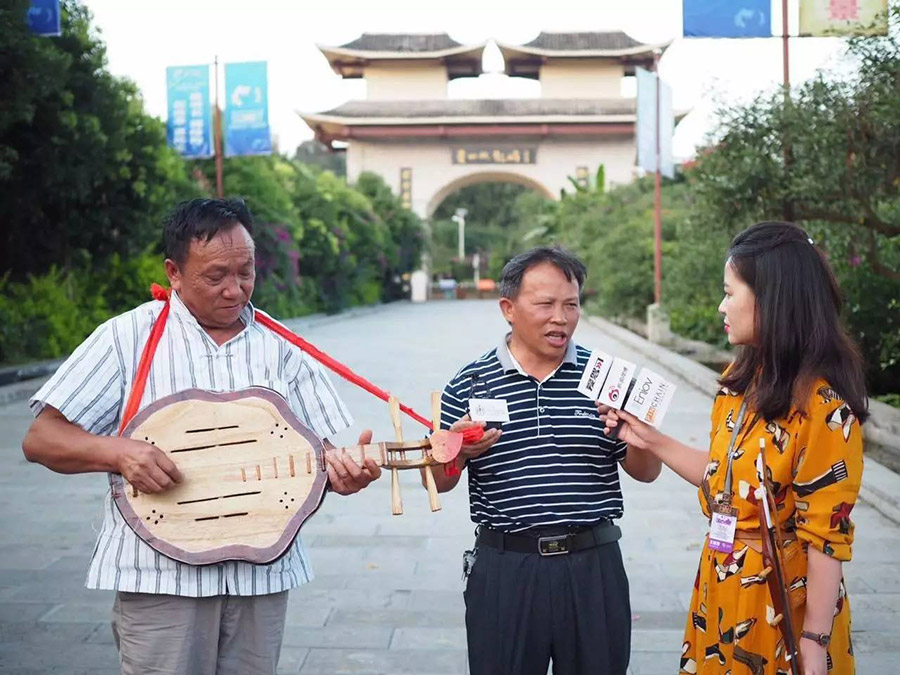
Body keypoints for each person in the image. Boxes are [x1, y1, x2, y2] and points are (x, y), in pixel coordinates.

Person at [22, 198, 381, 675]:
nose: (235, 291)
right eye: (216, 276)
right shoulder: (126, 337)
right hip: (160, 579)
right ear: (174, 272)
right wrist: (117, 451)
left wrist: (344, 472)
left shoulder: (283, 349)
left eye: (246, 272)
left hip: (262, 577)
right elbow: (41, 439)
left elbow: (317, 457)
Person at [601, 222, 867, 674]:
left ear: (772, 298)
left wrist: (814, 642)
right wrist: (649, 438)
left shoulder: (825, 409)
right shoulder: (738, 386)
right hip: (721, 588)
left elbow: (827, 540)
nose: (722, 306)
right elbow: (725, 475)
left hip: (782, 602)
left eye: (730, 293)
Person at [430, 245, 662, 675]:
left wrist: (637, 432)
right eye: (546, 304)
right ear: (508, 308)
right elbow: (440, 483)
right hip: (506, 570)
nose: (561, 318)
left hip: (593, 568)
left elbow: (645, 473)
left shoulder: (607, 377)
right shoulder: (469, 382)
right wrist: (456, 450)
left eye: (571, 305)